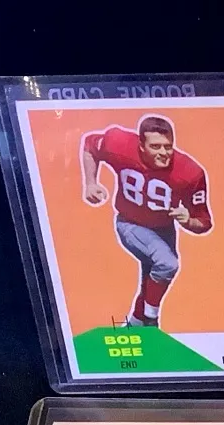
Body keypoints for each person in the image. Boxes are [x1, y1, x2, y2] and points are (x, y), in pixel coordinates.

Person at [81, 115, 212, 329]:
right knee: (167, 264)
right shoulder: (119, 143)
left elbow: (204, 222)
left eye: (168, 146)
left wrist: (188, 221)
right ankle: (151, 320)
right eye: (155, 146)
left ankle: (135, 325)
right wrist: (90, 183)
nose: (163, 152)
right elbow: (90, 145)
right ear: (141, 145)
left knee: (152, 282)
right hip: (130, 223)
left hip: (163, 228)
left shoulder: (190, 172)